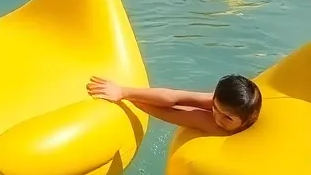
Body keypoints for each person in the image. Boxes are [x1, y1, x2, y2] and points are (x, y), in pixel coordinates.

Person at [87, 75, 262, 135]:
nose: (217, 117)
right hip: (234, 109)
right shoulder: (228, 111)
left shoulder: (218, 127)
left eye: (227, 117)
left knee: (194, 113)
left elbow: (170, 114)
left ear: (248, 120)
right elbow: (173, 97)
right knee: (194, 99)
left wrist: (133, 101)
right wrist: (123, 92)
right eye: (215, 108)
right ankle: (124, 92)